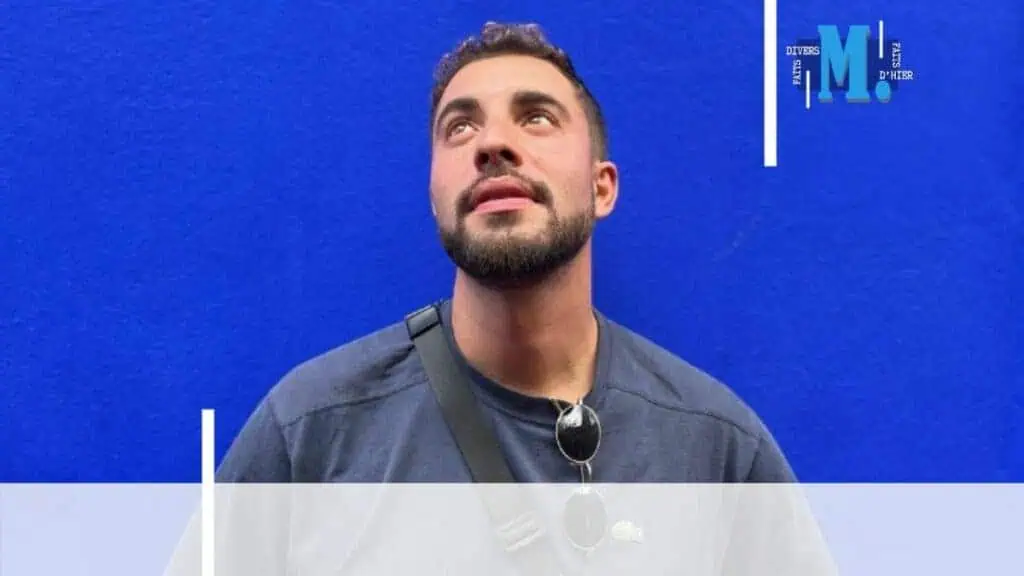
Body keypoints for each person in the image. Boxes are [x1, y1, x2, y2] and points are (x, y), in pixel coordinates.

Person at [166, 21, 837, 576]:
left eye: (536, 118)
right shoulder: (311, 428)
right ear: (436, 195)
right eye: (459, 128)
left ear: (601, 187)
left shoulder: (716, 448)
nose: (492, 144)